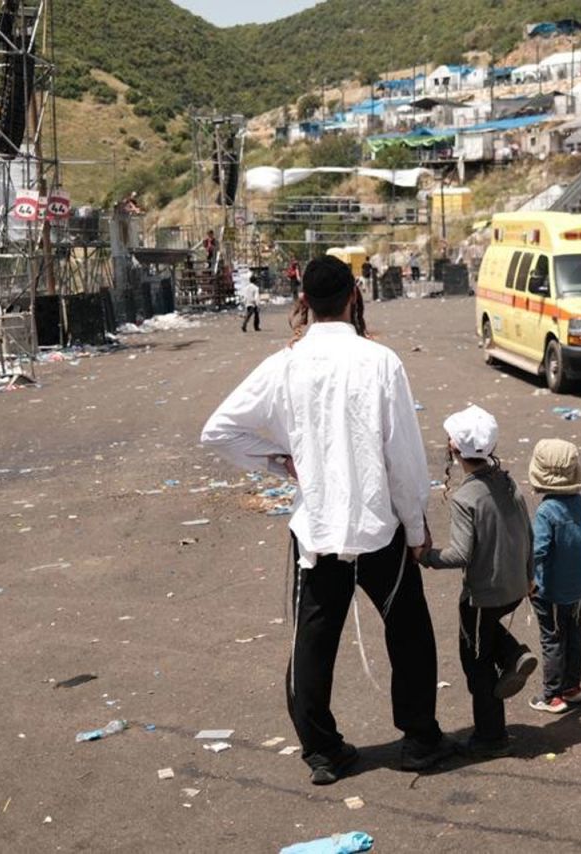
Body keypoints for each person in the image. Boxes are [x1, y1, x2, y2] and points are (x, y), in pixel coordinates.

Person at [201, 256, 455, 785]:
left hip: (315, 531)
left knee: (313, 644)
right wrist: (416, 526)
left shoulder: (286, 364)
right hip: (377, 526)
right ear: (353, 295)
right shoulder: (380, 362)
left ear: (304, 302)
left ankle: (321, 750)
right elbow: (404, 457)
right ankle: (420, 740)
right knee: (409, 634)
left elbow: (220, 431)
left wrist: (279, 462)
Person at [418, 406, 537, 758]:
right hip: (516, 586)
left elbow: (460, 555)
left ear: (454, 450)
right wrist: (529, 577)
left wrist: (425, 556)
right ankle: (514, 653)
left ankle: (490, 735)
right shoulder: (508, 481)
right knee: (485, 638)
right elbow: (528, 534)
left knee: (476, 662)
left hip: (484, 595)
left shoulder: (466, 498)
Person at [526, 439, 581, 714]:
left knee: (552, 637)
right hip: (578, 586)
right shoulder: (578, 502)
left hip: (551, 589)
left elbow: (538, 550)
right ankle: (572, 687)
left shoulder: (546, 511)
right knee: (575, 633)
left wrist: (527, 579)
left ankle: (552, 695)